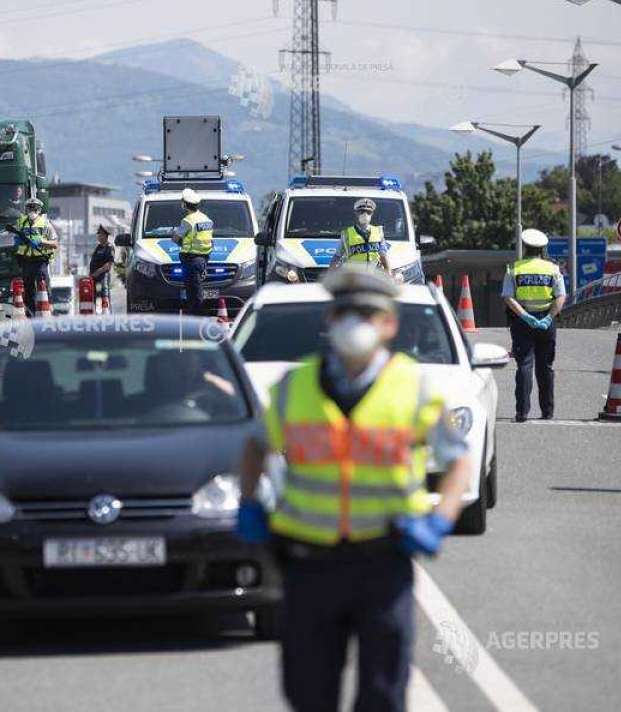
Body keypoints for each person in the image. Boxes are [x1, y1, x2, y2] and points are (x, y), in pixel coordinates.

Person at [236, 265, 472, 712]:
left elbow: (458, 459)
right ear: (329, 320)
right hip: (308, 563)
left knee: (383, 692)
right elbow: (255, 445)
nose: (354, 323)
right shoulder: (295, 385)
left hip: (383, 561)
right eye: (344, 312)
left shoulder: (414, 388)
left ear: (389, 325)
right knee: (307, 691)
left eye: (366, 314)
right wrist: (250, 505)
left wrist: (440, 521)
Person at [503, 228, 565, 422]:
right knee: (545, 366)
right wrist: (549, 317)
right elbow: (561, 296)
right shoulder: (553, 269)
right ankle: (547, 412)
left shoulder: (514, 268)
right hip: (547, 321)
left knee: (524, 365)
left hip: (522, 321)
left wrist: (525, 316)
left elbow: (508, 297)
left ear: (525, 247)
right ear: (542, 249)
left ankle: (522, 413)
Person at [14, 197, 59, 315]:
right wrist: (19, 241)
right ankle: (31, 314)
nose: (32, 210)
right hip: (26, 261)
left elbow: (55, 244)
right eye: (29, 207)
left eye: (34, 207)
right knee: (28, 290)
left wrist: (41, 242)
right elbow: (16, 238)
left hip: (40, 261)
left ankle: (48, 311)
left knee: (44, 286)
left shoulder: (45, 223)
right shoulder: (21, 222)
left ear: (39, 209)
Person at [171, 187, 213, 313]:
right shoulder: (206, 219)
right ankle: (197, 312)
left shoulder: (188, 220)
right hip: (204, 257)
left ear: (184, 205)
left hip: (191, 259)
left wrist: (174, 235)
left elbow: (176, 238)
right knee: (196, 286)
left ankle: (196, 315)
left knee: (192, 290)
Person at [332, 198, 392, 274]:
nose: (365, 214)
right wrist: (330, 274)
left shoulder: (378, 232)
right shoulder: (347, 233)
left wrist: (388, 273)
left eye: (368, 212)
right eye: (362, 211)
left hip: (373, 276)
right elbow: (337, 257)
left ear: (372, 214)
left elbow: (383, 255)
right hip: (353, 276)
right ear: (357, 214)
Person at [88, 224, 115, 307]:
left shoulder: (109, 247)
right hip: (94, 277)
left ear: (105, 235)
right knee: (95, 298)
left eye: (100, 234)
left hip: (103, 276)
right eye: (98, 234)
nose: (98, 236)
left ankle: (106, 310)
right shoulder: (98, 247)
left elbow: (109, 263)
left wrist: (98, 271)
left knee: (104, 294)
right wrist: (92, 273)